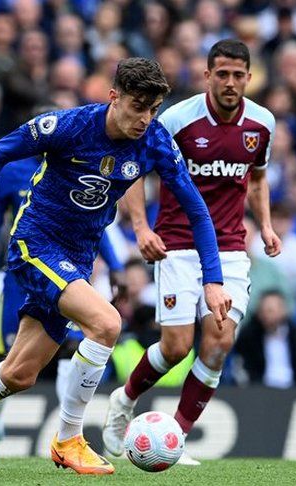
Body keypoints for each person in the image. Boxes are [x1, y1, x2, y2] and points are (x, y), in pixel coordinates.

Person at [0, 57, 230, 476]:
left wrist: (214, 280)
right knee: (107, 323)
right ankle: (69, 439)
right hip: (36, 243)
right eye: (138, 106)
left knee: (18, 374)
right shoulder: (70, 126)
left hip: (78, 257)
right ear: (113, 97)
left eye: (153, 109)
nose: (145, 118)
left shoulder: (153, 141)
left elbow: (197, 211)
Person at [103, 40, 280, 466]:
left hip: (231, 247)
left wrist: (268, 225)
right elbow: (134, 171)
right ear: (207, 75)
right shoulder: (178, 119)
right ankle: (124, 400)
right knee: (178, 347)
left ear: (249, 78)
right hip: (179, 244)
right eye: (222, 74)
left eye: (238, 75)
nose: (230, 82)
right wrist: (142, 227)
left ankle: (175, 437)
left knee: (219, 343)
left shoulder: (262, 124)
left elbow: (256, 180)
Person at [0, 120, 126, 458]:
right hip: (21, 272)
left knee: (73, 344)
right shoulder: (12, 172)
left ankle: (67, 432)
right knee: (9, 354)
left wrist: (116, 266)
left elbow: (101, 220)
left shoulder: (79, 164)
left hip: (68, 269)